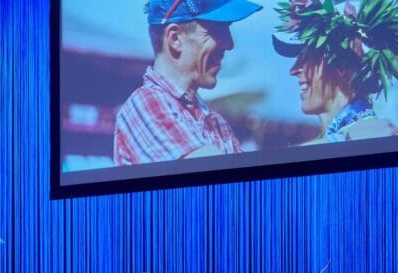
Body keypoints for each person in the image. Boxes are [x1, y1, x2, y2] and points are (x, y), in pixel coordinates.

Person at [114, 0, 262, 165]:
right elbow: (217, 174)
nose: (229, 44)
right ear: (175, 38)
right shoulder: (146, 103)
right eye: (217, 29)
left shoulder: (218, 124)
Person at [273, 0, 398, 143]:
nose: (293, 70)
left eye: (306, 57)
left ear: (340, 67)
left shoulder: (372, 134)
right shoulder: (350, 136)